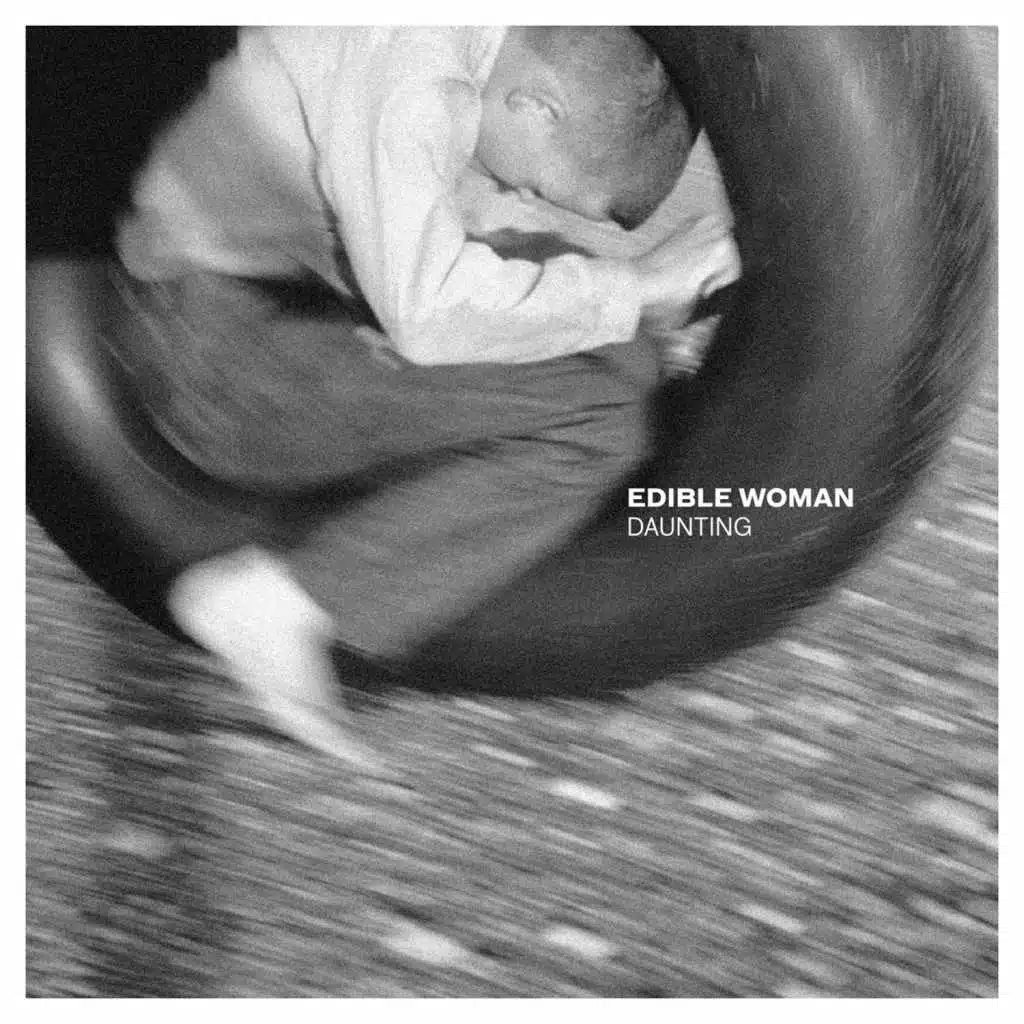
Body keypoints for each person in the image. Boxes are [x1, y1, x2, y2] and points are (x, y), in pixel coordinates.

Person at [114, 26, 740, 770]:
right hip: (212, 357)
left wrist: (633, 307)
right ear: (537, 105)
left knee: (619, 355)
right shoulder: (414, 77)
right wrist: (636, 287)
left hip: (273, 314)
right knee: (600, 425)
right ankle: (284, 602)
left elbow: (488, 241)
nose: (523, 196)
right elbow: (427, 313)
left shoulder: (453, 49)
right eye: (540, 187)